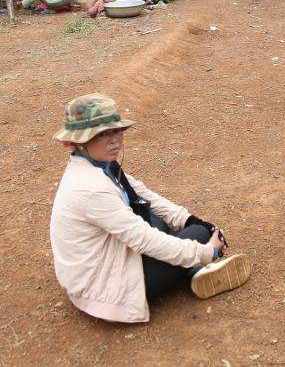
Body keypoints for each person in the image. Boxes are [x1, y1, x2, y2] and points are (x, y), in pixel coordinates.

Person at [50, 93, 252, 323]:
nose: (114, 140)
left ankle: (191, 268)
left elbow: (143, 195)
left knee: (162, 220)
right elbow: (145, 239)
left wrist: (189, 219)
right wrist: (208, 252)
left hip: (92, 271)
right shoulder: (92, 189)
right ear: (75, 143)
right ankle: (195, 269)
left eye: (116, 130)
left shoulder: (97, 166)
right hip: (102, 290)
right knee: (198, 236)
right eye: (100, 135)